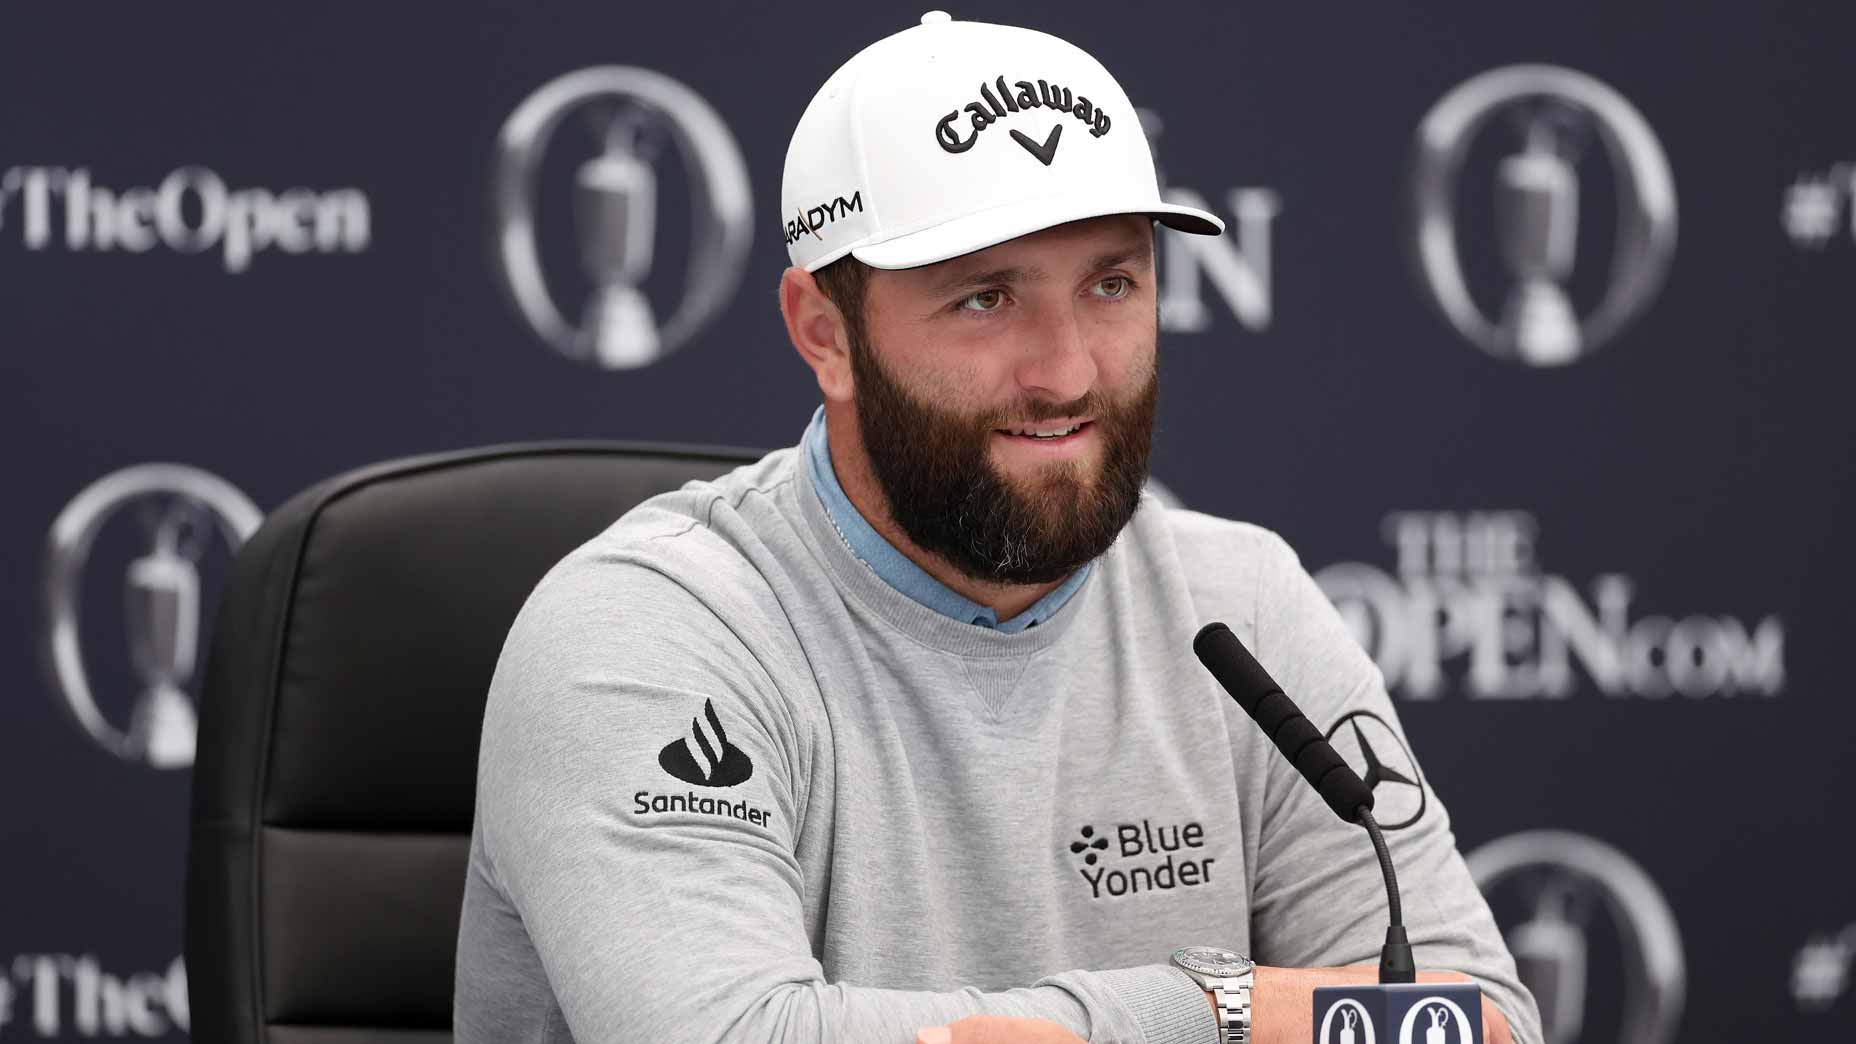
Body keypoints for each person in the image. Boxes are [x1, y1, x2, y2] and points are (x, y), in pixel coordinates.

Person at [455, 12, 1541, 1044]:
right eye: (985, 298)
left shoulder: (1239, 607)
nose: (1066, 372)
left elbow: (1476, 1021)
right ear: (824, 334)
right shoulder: (648, 632)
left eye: (1110, 285)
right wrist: (1209, 1009)